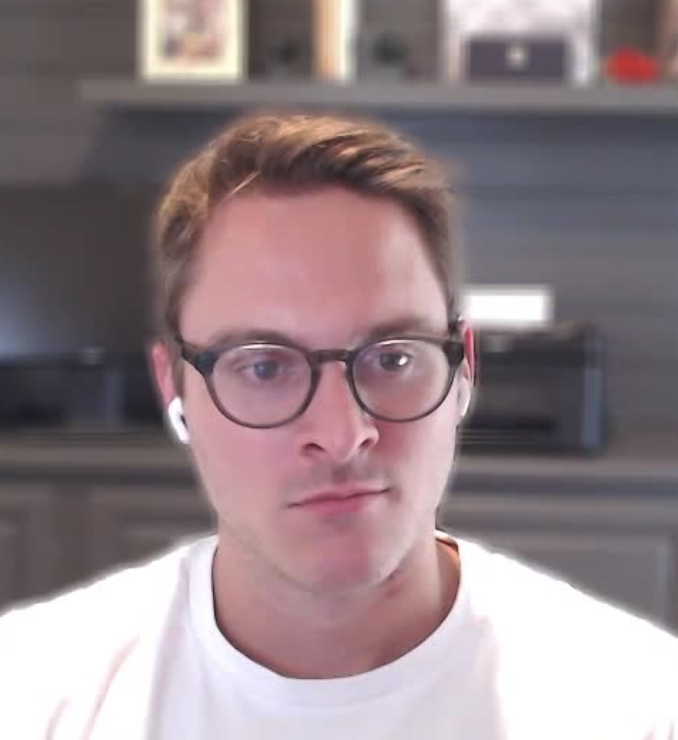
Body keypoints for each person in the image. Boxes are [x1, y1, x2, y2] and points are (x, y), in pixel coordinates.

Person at [0, 111, 676, 739]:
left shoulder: (638, 708)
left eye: (393, 358)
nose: (343, 433)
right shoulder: (31, 697)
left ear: (463, 368)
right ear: (173, 385)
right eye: (264, 366)